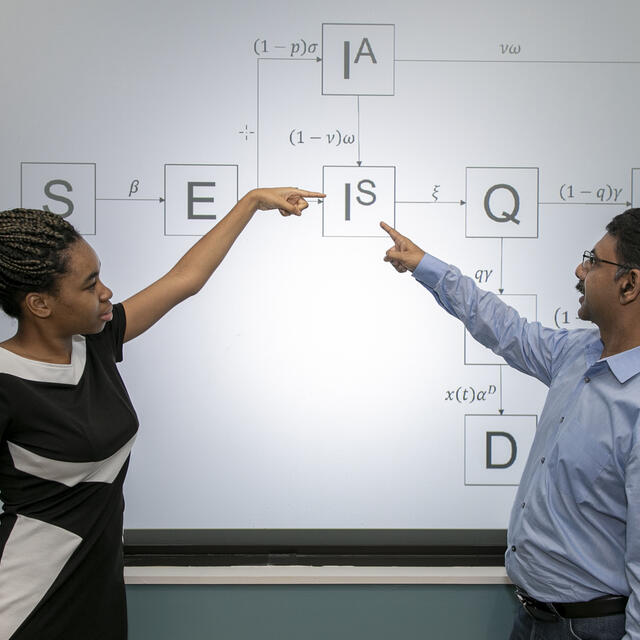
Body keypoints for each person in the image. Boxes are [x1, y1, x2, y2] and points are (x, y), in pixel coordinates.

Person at [0, 186, 324, 640]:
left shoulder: (94, 342)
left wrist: (252, 202)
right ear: (39, 304)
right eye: (89, 284)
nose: (106, 292)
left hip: (97, 595)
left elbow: (184, 279)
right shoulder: (6, 381)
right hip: (27, 603)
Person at [381, 209, 640, 640]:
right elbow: (502, 326)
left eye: (593, 262)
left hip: (590, 629)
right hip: (534, 618)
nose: (580, 269)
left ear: (629, 284)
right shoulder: (575, 354)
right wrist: (424, 265)